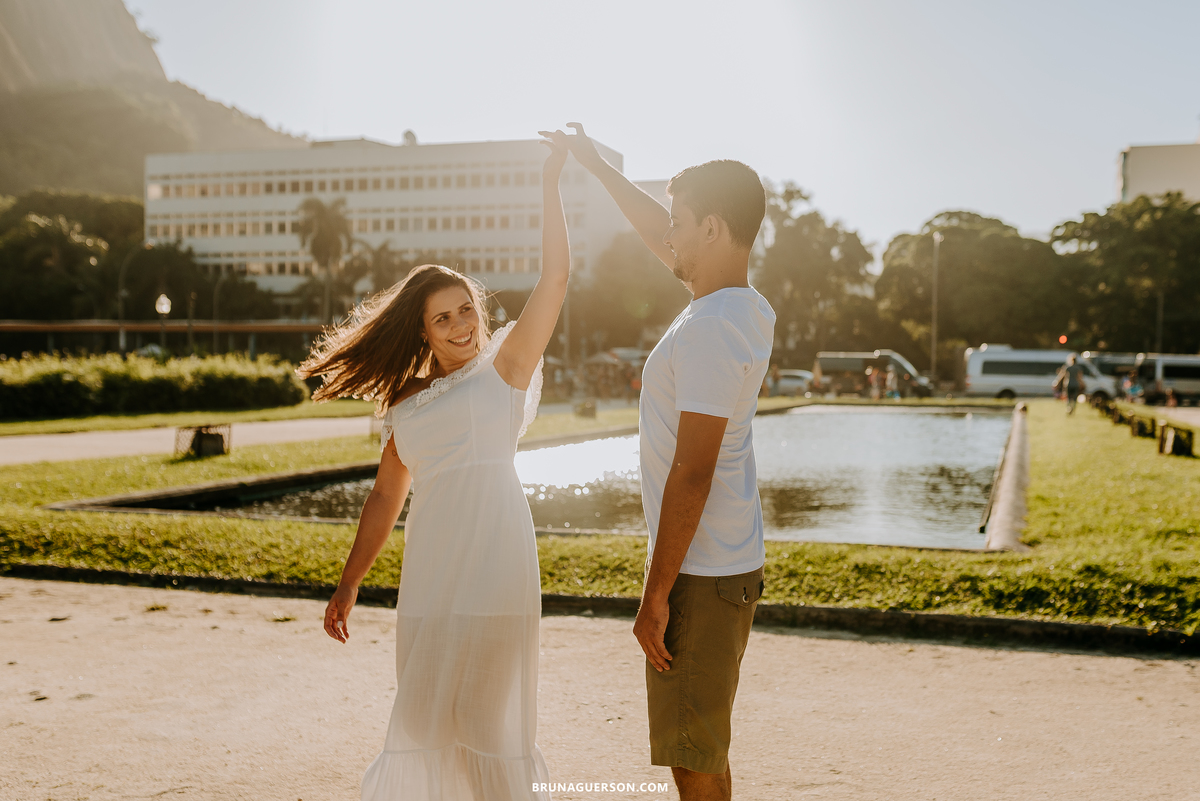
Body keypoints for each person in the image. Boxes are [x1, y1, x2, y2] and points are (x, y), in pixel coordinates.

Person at [297, 130, 574, 800]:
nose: (459, 325)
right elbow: (384, 498)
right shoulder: (406, 403)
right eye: (441, 318)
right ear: (422, 330)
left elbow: (556, 279)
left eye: (465, 310)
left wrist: (550, 183)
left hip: (496, 563)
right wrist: (349, 583)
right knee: (424, 717)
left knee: (482, 720)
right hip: (431, 572)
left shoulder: (506, 368)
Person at [565, 123, 774, 801]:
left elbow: (693, 471)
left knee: (693, 756)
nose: (669, 235)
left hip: (701, 574)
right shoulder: (738, 305)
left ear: (712, 228)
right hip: (720, 562)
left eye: (680, 222)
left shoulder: (712, 326)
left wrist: (655, 596)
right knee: (702, 746)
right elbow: (665, 239)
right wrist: (599, 168)